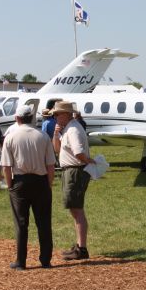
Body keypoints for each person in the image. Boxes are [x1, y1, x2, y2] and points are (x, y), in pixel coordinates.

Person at [1, 105, 56, 270]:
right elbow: (51, 165)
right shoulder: (43, 136)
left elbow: (6, 166)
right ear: (32, 118)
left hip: (20, 182)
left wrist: (10, 185)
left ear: (17, 118)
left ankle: (21, 261)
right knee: (44, 222)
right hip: (41, 181)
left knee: (21, 223)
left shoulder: (10, 137)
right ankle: (46, 260)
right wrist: (49, 184)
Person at [52, 101, 95, 261]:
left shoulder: (74, 130)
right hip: (71, 170)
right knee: (74, 209)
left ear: (67, 114)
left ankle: (82, 248)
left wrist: (88, 161)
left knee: (76, 209)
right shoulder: (69, 128)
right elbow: (57, 149)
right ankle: (79, 246)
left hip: (75, 171)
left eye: (57, 114)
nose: (55, 117)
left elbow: (78, 152)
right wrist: (56, 134)